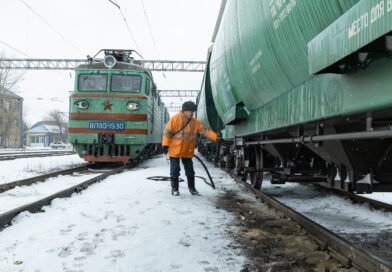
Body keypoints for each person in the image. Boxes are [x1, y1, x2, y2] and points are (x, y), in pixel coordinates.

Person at [162, 101, 218, 196]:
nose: (191, 113)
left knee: (190, 171)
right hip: (175, 150)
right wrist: (165, 145)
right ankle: (175, 189)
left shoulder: (195, 122)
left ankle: (192, 188)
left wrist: (216, 137)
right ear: (184, 111)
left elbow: (205, 131)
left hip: (187, 151)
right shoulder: (175, 119)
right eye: (189, 111)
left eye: (192, 111)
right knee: (175, 170)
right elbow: (167, 133)